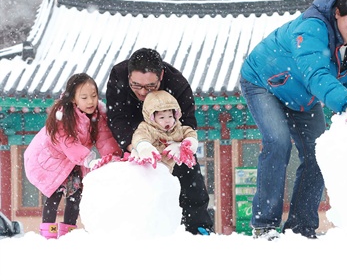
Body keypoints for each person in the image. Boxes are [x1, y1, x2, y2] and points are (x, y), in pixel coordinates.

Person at [239, 0, 347, 239]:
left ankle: (301, 226)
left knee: (318, 152)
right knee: (278, 142)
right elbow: (316, 74)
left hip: (303, 96)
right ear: (337, 13)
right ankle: (265, 224)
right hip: (264, 83)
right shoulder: (312, 28)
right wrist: (346, 104)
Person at [106, 48, 213, 235]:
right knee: (139, 183)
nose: (142, 92)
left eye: (150, 87)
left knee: (189, 177)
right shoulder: (119, 76)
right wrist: (137, 147)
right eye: (136, 85)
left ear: (161, 75)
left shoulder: (178, 84)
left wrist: (181, 145)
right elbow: (117, 118)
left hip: (170, 133)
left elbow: (188, 123)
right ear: (129, 76)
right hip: (137, 131)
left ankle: (199, 228)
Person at [24, 73, 122, 239]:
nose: (91, 101)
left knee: (75, 197)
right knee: (53, 195)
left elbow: (104, 139)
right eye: (84, 97)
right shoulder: (62, 116)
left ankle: (68, 234)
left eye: (94, 96)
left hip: (74, 163)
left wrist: (114, 158)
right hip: (52, 161)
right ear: (73, 99)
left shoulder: (98, 114)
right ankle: (48, 235)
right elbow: (69, 144)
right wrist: (88, 159)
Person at [130, 90, 199, 172]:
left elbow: (189, 132)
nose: (167, 120)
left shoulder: (177, 129)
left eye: (170, 116)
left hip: (166, 170)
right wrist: (144, 147)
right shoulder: (148, 128)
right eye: (162, 118)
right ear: (152, 118)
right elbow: (140, 136)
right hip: (148, 166)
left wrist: (187, 143)